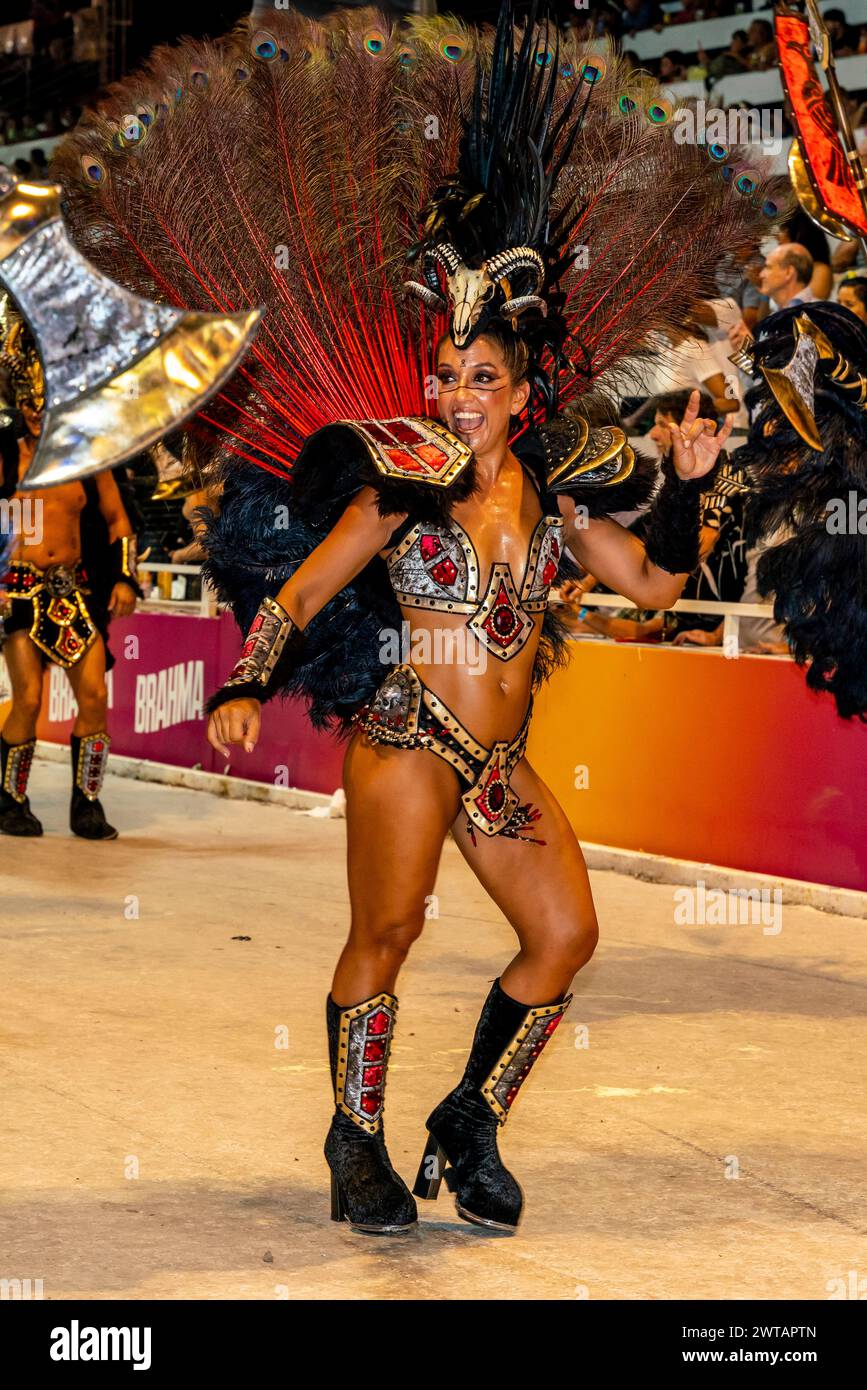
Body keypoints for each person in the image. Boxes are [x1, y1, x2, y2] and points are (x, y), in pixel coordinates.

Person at [58, 3, 778, 1237]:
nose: (455, 393)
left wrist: (699, 491)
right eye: (447, 375)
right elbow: (302, 588)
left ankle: (470, 1119)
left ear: (525, 387)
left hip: (497, 762)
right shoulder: (405, 478)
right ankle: (355, 1142)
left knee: (566, 934)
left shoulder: (557, 488)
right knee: (384, 935)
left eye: (480, 380)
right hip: (407, 740)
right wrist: (241, 683)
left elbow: (656, 586)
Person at [0, 314, 140, 839]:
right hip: (17, 591)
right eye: (30, 404)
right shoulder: (5, 453)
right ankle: (11, 800)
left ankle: (88, 805)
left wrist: (125, 578)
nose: (39, 413)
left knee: (95, 698)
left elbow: (118, 520)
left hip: (73, 591)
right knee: (29, 700)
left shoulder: (83, 451)